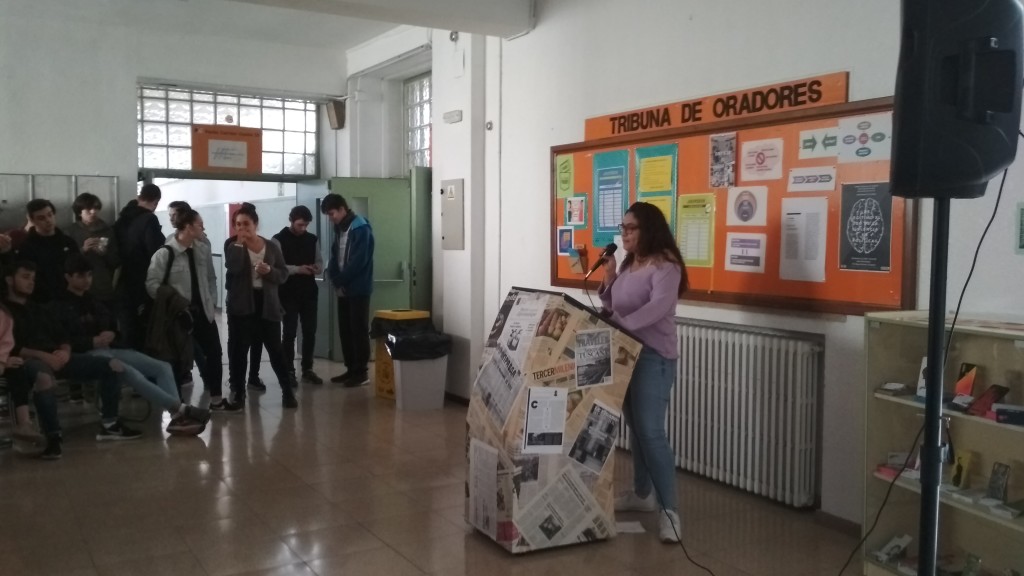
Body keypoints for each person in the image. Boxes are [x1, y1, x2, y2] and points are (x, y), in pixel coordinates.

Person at [600, 201, 688, 544]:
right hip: (626, 354)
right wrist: (609, 276)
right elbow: (613, 305)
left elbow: (657, 308)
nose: (623, 234)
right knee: (636, 430)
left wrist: (620, 324)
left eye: (630, 228)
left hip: (654, 357)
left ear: (648, 229)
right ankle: (642, 494)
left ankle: (670, 512)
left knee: (651, 432)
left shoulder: (666, 265)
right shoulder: (629, 263)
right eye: (622, 228)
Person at [54, 254, 210, 435]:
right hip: (86, 354)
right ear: (68, 277)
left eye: (89, 275)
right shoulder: (59, 306)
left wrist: (112, 333)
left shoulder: (94, 301)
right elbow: (61, 339)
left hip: (109, 348)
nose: (86, 280)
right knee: (128, 371)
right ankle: (181, 410)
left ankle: (177, 416)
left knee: (162, 367)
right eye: (80, 276)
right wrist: (91, 341)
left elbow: (113, 325)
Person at [5, 261, 141, 459]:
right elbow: (12, 347)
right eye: (25, 277)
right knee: (44, 378)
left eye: (32, 278)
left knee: (113, 365)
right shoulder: (5, 312)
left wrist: (65, 351)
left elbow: (62, 336)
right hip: (29, 360)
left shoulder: (39, 309)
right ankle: (53, 437)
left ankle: (110, 423)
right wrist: (45, 356)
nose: (30, 282)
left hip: (57, 356)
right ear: (10, 280)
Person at [147, 208, 239, 412]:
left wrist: (211, 301)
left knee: (214, 353)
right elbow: (152, 284)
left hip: (203, 313)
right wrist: (173, 304)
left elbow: (210, 277)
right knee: (178, 360)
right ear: (188, 227)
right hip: (179, 317)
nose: (203, 228)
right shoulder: (165, 253)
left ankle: (216, 400)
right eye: (199, 225)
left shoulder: (202, 250)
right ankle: (178, 406)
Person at [224, 203, 298, 409]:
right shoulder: (233, 246)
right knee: (240, 351)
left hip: (267, 304)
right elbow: (233, 268)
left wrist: (270, 272)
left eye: (246, 224)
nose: (242, 228)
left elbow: (283, 274)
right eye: (238, 224)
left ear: (255, 224)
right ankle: (238, 394)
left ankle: (287, 391)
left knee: (275, 350)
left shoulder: (271, 246)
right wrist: (240, 245)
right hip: (242, 306)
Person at [321, 194, 374, 387]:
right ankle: (351, 368)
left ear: (342, 209)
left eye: (332, 213)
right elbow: (336, 255)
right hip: (343, 287)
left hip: (358, 288)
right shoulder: (340, 229)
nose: (331, 218)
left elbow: (359, 261)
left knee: (358, 330)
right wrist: (335, 278)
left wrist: (340, 280)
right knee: (345, 329)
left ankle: (361, 372)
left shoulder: (361, 228)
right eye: (328, 215)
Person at [273, 205, 324, 386]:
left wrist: (317, 268)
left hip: (309, 292)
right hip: (288, 293)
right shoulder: (278, 239)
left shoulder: (312, 239)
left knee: (310, 331)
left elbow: (320, 262)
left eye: (306, 225)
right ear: (291, 221)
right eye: (300, 225)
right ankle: (288, 370)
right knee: (289, 333)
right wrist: (297, 269)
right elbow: (277, 267)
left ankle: (307, 369)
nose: (303, 228)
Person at [114, 183, 165, 346]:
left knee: (127, 331)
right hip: (142, 282)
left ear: (139, 197)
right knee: (144, 332)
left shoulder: (122, 219)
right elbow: (156, 253)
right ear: (156, 202)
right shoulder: (149, 219)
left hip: (122, 282)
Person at [12, 199, 80, 304]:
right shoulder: (27, 247)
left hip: (69, 300)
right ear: (32, 220)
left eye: (50, 215)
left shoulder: (68, 243)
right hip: (40, 301)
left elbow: (78, 270)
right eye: (41, 218)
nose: (48, 220)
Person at [67, 192, 120, 307]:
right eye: (88, 209)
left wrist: (104, 253)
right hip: (78, 287)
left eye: (96, 208)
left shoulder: (107, 231)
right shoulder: (71, 231)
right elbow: (65, 261)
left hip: (102, 285)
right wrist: (83, 250)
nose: (93, 212)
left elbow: (116, 261)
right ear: (79, 212)